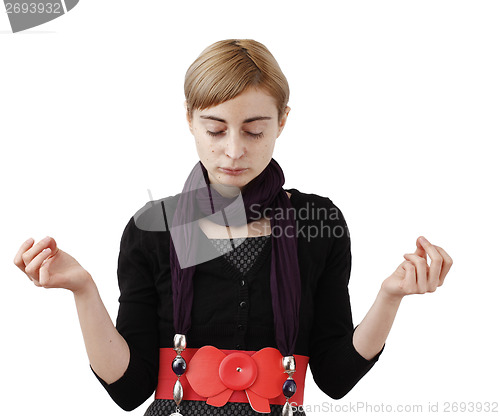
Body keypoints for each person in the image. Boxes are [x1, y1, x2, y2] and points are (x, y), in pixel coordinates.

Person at [13, 39, 453, 416]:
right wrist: (83, 290)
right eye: (216, 129)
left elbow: (335, 377)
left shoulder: (319, 224)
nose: (234, 151)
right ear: (190, 120)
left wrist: (390, 297)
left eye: (255, 131)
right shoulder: (153, 228)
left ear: (282, 121)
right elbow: (130, 390)